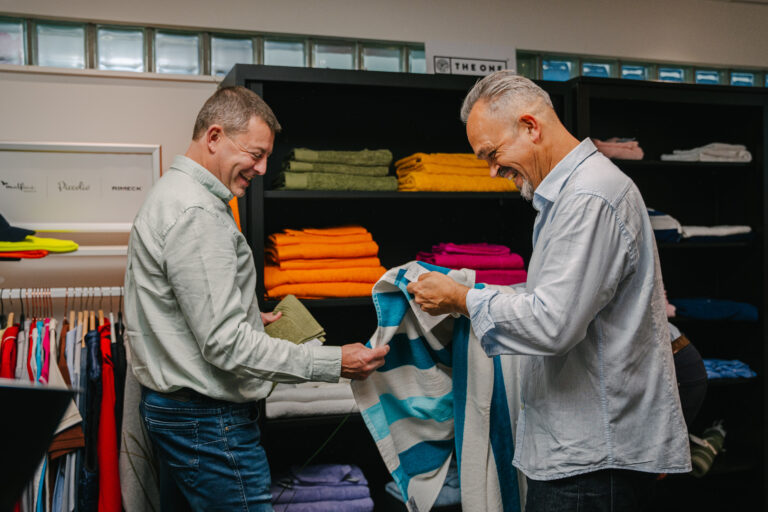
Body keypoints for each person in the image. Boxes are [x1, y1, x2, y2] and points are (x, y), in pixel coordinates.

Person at [406, 71, 691, 511]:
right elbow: (568, 299)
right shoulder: (564, 197)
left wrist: (461, 299)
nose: (492, 170)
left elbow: (552, 321)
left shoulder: (588, 198)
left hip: (593, 461)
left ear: (530, 127)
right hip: (583, 452)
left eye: (492, 153)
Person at [124, 86, 389, 511]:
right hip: (208, 420)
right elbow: (225, 343)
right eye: (256, 153)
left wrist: (247, 316)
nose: (264, 168)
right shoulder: (198, 215)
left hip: (184, 415)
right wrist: (335, 363)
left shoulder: (172, 195)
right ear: (214, 137)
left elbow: (181, 312)